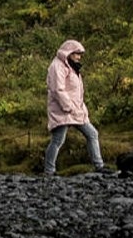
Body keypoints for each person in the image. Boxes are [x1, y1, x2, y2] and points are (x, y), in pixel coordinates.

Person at [44, 40, 105, 174]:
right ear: (69, 52)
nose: (79, 57)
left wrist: (78, 108)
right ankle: (49, 171)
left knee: (92, 134)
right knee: (58, 140)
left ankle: (99, 166)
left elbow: (76, 91)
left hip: (75, 110)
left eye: (80, 54)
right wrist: (68, 107)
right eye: (77, 53)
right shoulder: (57, 66)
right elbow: (57, 90)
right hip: (62, 110)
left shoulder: (73, 67)